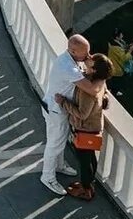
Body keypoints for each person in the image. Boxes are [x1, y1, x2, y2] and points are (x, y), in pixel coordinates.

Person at [41, 34, 102, 196]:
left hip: (55, 107)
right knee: (55, 144)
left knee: (59, 141)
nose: (88, 56)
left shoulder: (69, 60)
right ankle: (47, 177)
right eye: (85, 53)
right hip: (56, 110)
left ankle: (59, 166)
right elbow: (92, 89)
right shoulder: (69, 67)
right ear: (73, 51)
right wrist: (103, 79)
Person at [55, 52, 113, 201]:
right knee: (90, 158)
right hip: (93, 126)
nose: (89, 57)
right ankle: (88, 183)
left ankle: (86, 189)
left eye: (92, 60)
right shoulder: (99, 82)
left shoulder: (88, 90)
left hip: (85, 128)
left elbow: (82, 114)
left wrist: (62, 102)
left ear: (94, 70)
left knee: (84, 160)